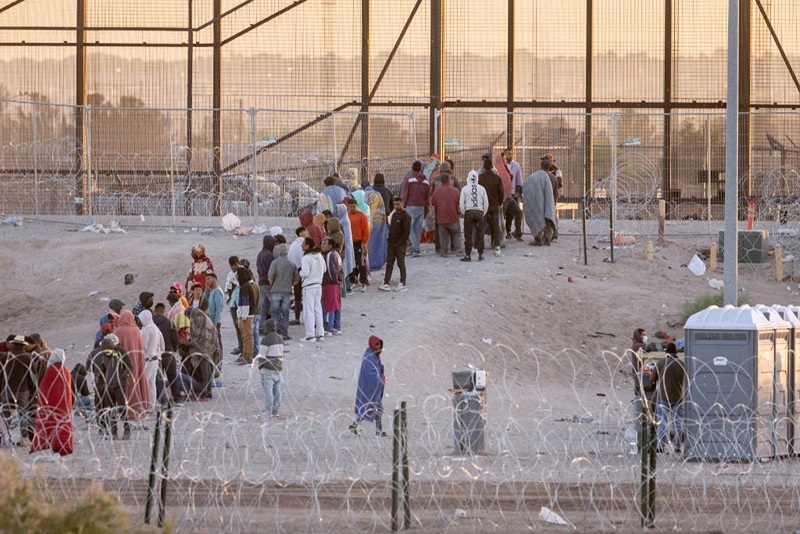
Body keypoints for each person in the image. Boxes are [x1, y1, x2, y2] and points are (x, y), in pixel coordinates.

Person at [29, 348, 73, 456]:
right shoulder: (66, 371)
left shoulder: (50, 371)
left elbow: (44, 389)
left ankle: (55, 451)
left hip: (51, 407)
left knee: (51, 427)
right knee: (61, 427)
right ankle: (58, 452)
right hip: (63, 407)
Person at [348, 336, 387, 437]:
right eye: (376, 344)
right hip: (369, 387)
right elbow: (371, 373)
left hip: (373, 387)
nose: (378, 347)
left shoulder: (374, 355)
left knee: (369, 407)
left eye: (379, 345)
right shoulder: (369, 356)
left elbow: (378, 367)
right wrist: (380, 381)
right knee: (377, 408)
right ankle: (378, 432)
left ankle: (354, 425)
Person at [0, 335, 36, 446]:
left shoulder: (4, 356)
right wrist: (33, 391)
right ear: (23, 345)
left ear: (14, 343)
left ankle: (3, 438)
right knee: (23, 415)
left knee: (5, 415)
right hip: (23, 391)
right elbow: (32, 376)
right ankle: (24, 439)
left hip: (7, 389)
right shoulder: (28, 357)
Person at [114, 310, 150, 421]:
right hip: (137, 361)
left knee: (127, 387)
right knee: (138, 384)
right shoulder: (137, 330)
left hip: (124, 364)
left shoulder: (118, 331)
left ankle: (128, 413)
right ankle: (139, 411)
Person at [651, 342, 685, 454]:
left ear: (666, 352)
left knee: (662, 422)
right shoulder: (681, 364)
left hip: (663, 397)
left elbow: (652, 378)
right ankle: (678, 447)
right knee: (677, 423)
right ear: (676, 352)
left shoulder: (661, 363)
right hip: (678, 397)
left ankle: (660, 446)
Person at [98, 334, 134, 439]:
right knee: (112, 410)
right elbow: (103, 368)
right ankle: (114, 431)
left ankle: (127, 430)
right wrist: (98, 377)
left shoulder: (121, 352)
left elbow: (129, 366)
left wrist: (124, 376)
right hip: (109, 386)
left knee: (122, 409)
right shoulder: (105, 355)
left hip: (120, 385)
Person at [182, 307, 219, 400]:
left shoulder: (198, 319)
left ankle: (204, 391)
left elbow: (198, 336)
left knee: (204, 368)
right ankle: (208, 391)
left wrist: (188, 342)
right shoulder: (202, 317)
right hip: (209, 345)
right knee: (208, 368)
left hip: (204, 346)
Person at [152, 303, 184, 403]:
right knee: (173, 377)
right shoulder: (169, 323)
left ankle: (162, 400)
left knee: (158, 380)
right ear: (163, 311)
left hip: (156, 355)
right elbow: (176, 339)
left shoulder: (150, 323)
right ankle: (177, 398)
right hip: (169, 353)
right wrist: (173, 349)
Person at [523, 156, 557, 246]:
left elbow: (526, 185)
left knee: (537, 217)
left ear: (541, 165)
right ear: (549, 167)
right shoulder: (552, 178)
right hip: (548, 203)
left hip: (537, 203)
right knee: (547, 218)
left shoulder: (534, 176)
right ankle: (547, 239)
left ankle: (538, 239)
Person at [268, 243, 300, 340]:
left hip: (276, 290)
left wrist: (273, 284)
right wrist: (290, 284)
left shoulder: (274, 262)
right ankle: (285, 333)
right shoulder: (291, 264)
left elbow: (270, 277)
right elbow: (297, 278)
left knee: (274, 312)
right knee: (285, 312)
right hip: (287, 290)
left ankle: (275, 332)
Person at [379, 198, 411, 292]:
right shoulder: (394, 215)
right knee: (389, 263)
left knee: (400, 263)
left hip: (400, 244)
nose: (396, 206)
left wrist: (400, 242)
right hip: (391, 243)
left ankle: (402, 282)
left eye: (398, 204)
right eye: (395, 204)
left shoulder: (406, 216)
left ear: (402, 203)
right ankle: (386, 282)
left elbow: (406, 232)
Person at [299, 236, 327, 342]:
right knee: (318, 309)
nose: (302, 245)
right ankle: (320, 333)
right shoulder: (319, 256)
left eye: (303, 244)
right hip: (318, 285)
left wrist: (299, 273)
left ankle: (310, 335)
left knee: (308, 311)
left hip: (309, 286)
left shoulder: (306, 258)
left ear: (307, 245)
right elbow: (324, 269)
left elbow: (305, 273)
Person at [401, 160, 430, 257]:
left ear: (412, 168)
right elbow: (427, 196)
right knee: (417, 228)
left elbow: (405, 194)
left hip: (410, 206)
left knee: (409, 228)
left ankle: (415, 248)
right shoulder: (425, 181)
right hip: (421, 207)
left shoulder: (408, 179)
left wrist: (403, 205)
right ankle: (416, 249)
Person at [256, 318, 284, 419]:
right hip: (278, 368)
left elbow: (262, 355)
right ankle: (276, 410)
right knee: (277, 390)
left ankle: (267, 410)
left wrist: (260, 367)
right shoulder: (280, 338)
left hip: (268, 368)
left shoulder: (266, 340)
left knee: (268, 390)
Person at [459, 170, 489, 262]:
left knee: (468, 234)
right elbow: (486, 203)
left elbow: (461, 203)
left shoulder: (464, 188)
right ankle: (481, 254)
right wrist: (483, 213)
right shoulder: (482, 188)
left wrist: (464, 212)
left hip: (468, 211)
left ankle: (468, 255)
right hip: (479, 211)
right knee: (480, 234)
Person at [478, 157, 505, 257]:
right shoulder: (497, 178)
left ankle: (480, 244)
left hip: (483, 205)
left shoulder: (479, 178)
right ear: (492, 167)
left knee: (482, 224)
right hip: (494, 205)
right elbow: (501, 192)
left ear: (484, 167)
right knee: (495, 224)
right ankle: (496, 245)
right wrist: (499, 202)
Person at [431, 173, 462, 257]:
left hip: (441, 218)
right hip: (453, 216)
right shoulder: (456, 191)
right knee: (456, 233)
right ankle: (457, 249)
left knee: (443, 236)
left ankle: (444, 251)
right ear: (449, 180)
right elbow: (459, 203)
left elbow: (433, 203)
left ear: (441, 181)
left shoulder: (436, 191)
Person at [139, 310, 165, 408]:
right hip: (156, 359)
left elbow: (143, 345)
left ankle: (145, 405)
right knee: (151, 384)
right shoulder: (156, 328)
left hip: (148, 360)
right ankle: (152, 405)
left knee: (144, 383)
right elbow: (162, 345)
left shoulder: (147, 329)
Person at [236, 267, 260, 365]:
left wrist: (243, 316)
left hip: (247, 315)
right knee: (248, 336)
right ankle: (245, 354)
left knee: (247, 336)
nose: (236, 276)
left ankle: (248, 356)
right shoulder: (251, 285)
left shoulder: (245, 287)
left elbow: (245, 303)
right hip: (251, 314)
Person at [321, 237, 344, 336]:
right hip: (336, 283)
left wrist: (334, 280)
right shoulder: (336, 254)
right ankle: (336, 326)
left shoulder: (330, 255)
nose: (322, 245)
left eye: (325, 244)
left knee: (330, 306)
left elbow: (331, 270)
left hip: (330, 284)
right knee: (336, 305)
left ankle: (329, 327)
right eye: (322, 243)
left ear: (330, 245)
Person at [347, 198, 371, 292]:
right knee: (351, 263)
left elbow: (366, 229)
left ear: (357, 206)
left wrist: (364, 242)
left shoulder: (361, 215)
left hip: (359, 242)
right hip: (350, 243)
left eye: (354, 206)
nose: (352, 208)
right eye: (351, 206)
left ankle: (363, 282)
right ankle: (353, 281)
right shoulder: (346, 216)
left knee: (361, 263)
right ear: (348, 206)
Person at [363, 184, 389, 271]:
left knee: (370, 244)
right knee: (380, 242)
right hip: (380, 221)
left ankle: (370, 263)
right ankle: (379, 262)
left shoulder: (364, 194)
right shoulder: (377, 194)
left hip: (369, 222)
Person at [257, 235, 277, 334]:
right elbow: (271, 270)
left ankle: (261, 327)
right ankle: (274, 327)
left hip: (261, 281)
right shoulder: (269, 255)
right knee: (274, 306)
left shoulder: (260, 254)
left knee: (264, 307)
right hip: (268, 283)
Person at [503, 148, 524, 240]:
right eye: (508, 154)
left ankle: (517, 232)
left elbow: (519, 180)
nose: (510, 156)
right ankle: (506, 232)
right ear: (504, 155)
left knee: (517, 213)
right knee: (505, 214)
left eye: (511, 154)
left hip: (513, 195)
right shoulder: (501, 166)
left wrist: (517, 192)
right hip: (504, 196)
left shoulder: (516, 166)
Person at [288, 228, 307, 326]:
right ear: (301, 233)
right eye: (305, 231)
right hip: (303, 271)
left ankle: (297, 317)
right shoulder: (303, 244)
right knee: (307, 295)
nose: (307, 232)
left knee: (297, 296)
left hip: (294, 271)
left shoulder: (292, 245)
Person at [225, 256, 244, 355]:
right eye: (232, 266)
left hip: (243, 303)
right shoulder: (230, 275)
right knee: (237, 326)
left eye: (235, 265)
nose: (234, 268)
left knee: (244, 326)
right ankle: (240, 346)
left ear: (238, 263)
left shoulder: (244, 272)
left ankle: (246, 348)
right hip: (233, 303)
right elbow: (227, 288)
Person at [204, 273, 225, 357]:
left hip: (215, 322)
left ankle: (219, 364)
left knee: (217, 344)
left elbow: (219, 308)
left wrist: (215, 323)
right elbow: (205, 300)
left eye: (208, 279)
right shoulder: (211, 291)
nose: (207, 281)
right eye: (206, 279)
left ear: (214, 279)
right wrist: (206, 290)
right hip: (210, 322)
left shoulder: (217, 291)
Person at [547, 156, 563, 242]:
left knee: (552, 215)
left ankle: (555, 233)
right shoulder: (544, 171)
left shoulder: (557, 171)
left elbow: (559, 184)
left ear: (553, 162)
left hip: (552, 196)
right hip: (545, 196)